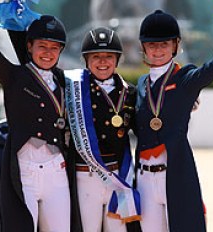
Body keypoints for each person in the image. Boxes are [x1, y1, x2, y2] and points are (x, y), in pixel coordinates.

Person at [134, 7, 213, 232]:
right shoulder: (141, 84)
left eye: (164, 44)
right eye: (152, 44)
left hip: (174, 173)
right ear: (143, 47)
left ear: (175, 45)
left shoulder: (185, 79)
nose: (157, 50)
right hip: (144, 179)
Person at [0, 13, 72, 232]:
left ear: (60, 51)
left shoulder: (64, 81)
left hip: (57, 172)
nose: (48, 53)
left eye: (54, 48)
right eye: (42, 46)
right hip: (24, 171)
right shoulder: (13, 76)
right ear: (29, 47)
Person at [64, 27, 141, 232]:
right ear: (86, 60)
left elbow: (145, 125)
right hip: (85, 176)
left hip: (117, 178)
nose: (102, 62)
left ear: (117, 60)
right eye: (96, 56)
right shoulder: (73, 89)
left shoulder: (129, 92)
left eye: (109, 56)